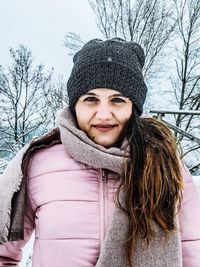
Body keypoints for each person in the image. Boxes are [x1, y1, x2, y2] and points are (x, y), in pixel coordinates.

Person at [0, 38, 200, 267]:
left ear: (133, 107)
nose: (103, 114)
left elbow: (193, 251)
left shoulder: (165, 166)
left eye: (117, 100)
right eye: (91, 99)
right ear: (75, 105)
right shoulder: (38, 164)